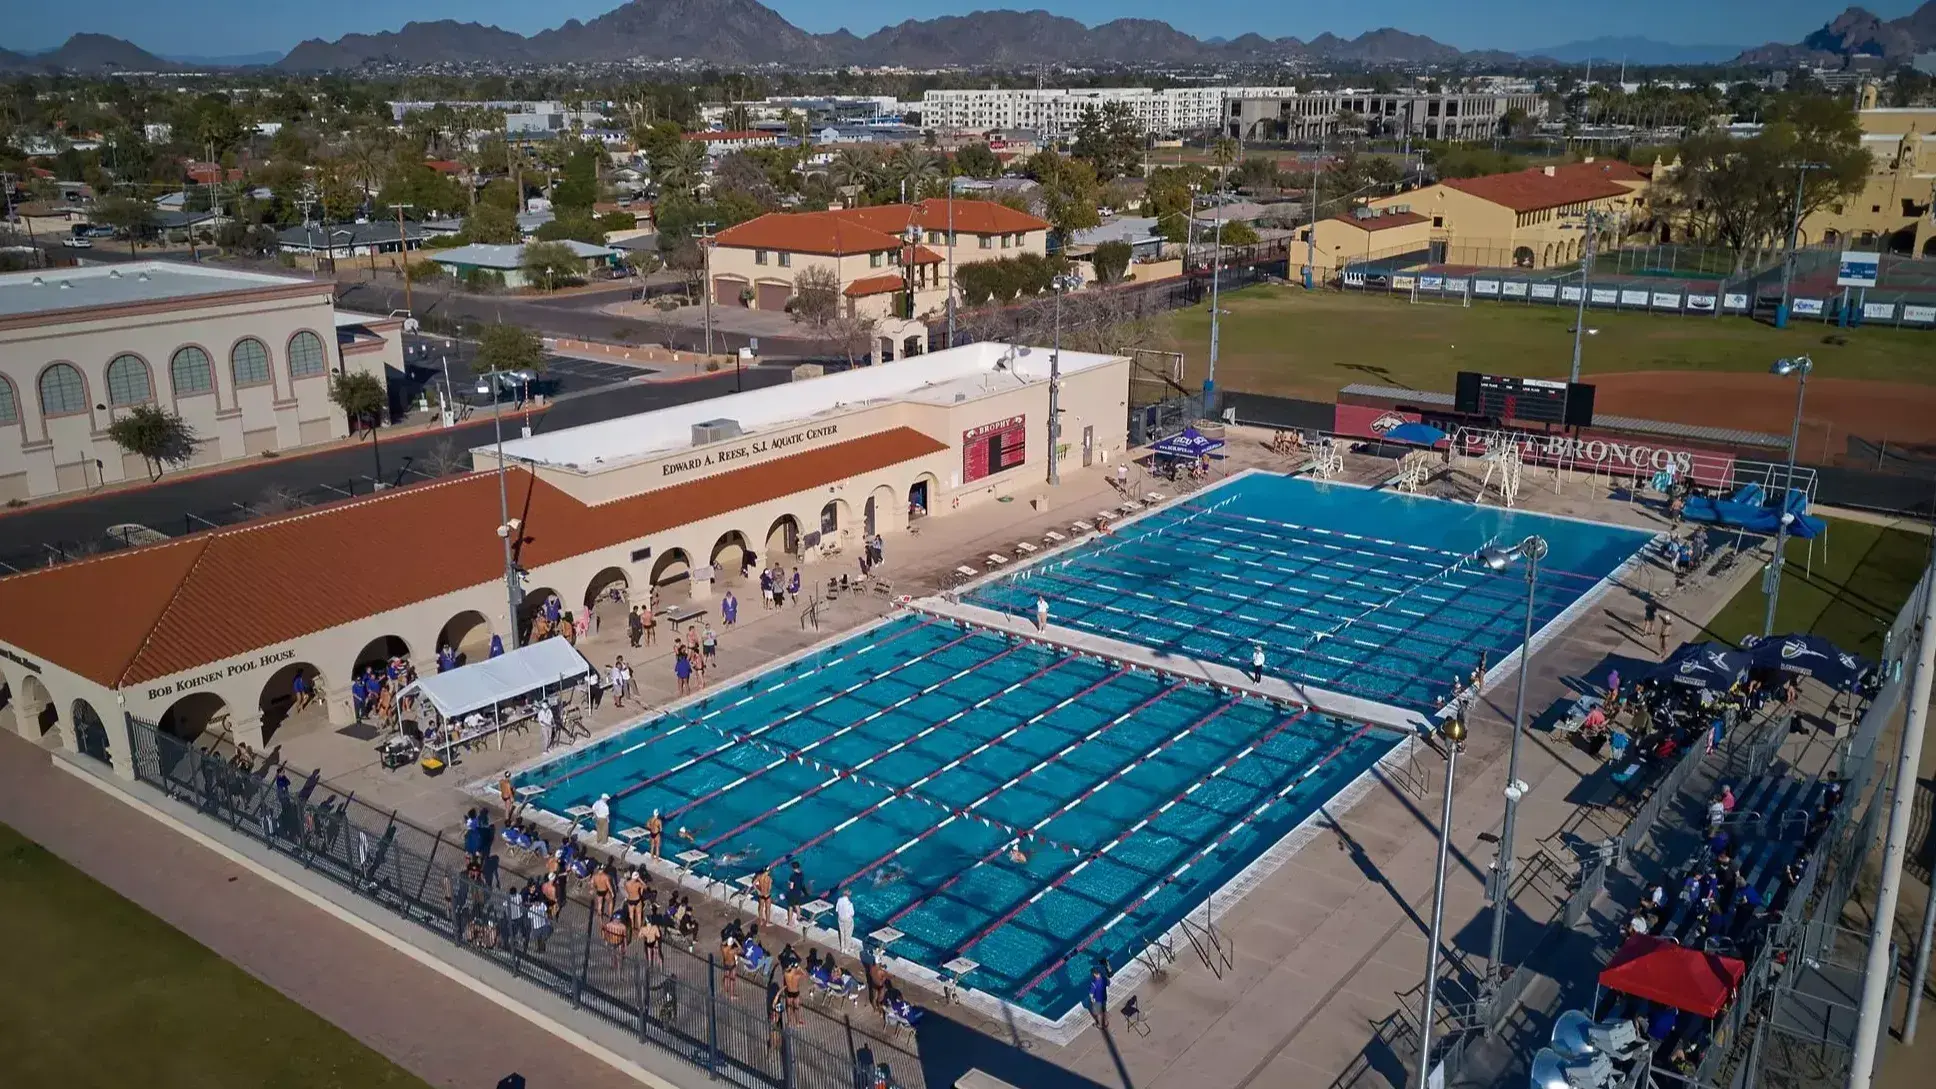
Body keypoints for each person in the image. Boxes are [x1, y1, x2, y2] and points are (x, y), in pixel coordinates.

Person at [1086, 965, 1110, 1031]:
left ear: (1094, 974)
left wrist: (1092, 1001)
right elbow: (1108, 984)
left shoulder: (1094, 983)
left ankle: (1100, 1025)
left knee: (1099, 1013)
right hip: (1104, 997)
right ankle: (1106, 1022)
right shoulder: (1104, 979)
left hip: (1097, 1000)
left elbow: (1091, 994)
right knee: (1104, 1010)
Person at [786, 859, 810, 925]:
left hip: (792, 893)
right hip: (798, 893)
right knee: (797, 905)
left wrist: (788, 883)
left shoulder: (792, 876)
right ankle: (799, 917)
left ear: (792, 868)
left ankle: (790, 922)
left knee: (790, 907)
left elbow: (791, 887)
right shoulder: (801, 874)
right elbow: (801, 884)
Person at [835, 888, 856, 952]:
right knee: (848, 933)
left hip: (840, 918)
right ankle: (847, 948)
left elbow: (837, 910)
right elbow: (852, 914)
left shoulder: (839, 900)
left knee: (842, 932)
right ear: (849, 895)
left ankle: (842, 948)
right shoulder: (850, 904)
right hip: (847, 920)